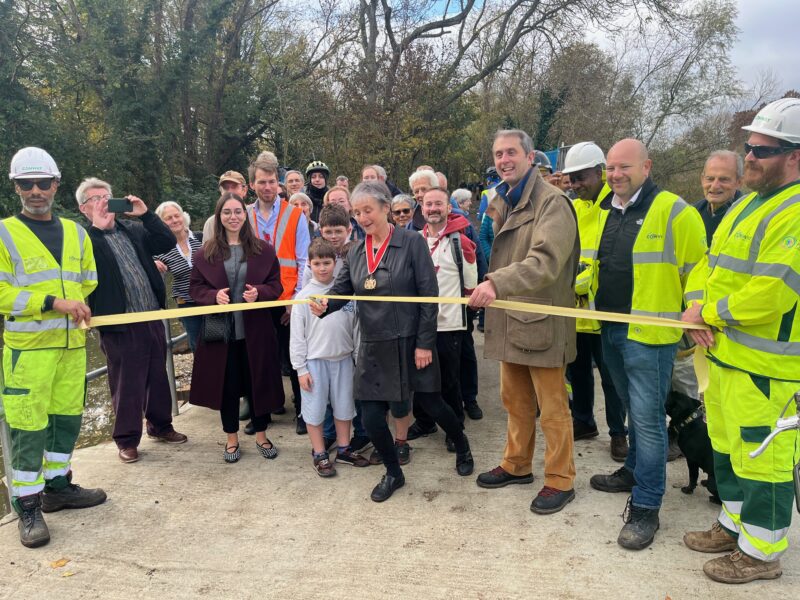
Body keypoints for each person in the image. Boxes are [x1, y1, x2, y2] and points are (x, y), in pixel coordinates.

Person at [681, 99, 800, 584]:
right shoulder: (748, 203)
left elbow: (773, 290)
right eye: (748, 146)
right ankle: (734, 526)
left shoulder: (793, 212)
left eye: (763, 150)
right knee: (727, 447)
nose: (748, 157)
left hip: (767, 370)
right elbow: (712, 265)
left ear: (795, 156)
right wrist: (692, 309)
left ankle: (761, 553)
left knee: (764, 460)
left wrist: (707, 313)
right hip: (725, 357)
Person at [310, 181, 474, 503]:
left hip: (411, 342)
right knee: (370, 417)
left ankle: (462, 443)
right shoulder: (355, 250)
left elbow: (429, 297)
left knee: (433, 405)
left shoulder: (411, 243)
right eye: (356, 212)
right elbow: (341, 291)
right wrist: (324, 305)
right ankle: (393, 472)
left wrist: (425, 343)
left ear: (386, 208)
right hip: (373, 344)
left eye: (367, 210)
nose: (362, 217)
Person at [583, 139, 706, 549]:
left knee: (649, 420)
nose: (616, 175)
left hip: (651, 336)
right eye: (610, 168)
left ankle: (647, 506)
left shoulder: (675, 211)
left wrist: (696, 311)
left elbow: (700, 271)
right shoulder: (606, 211)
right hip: (612, 327)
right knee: (631, 406)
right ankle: (633, 471)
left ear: (647, 167)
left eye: (624, 167)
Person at [468, 129, 579, 515]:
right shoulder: (503, 198)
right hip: (510, 316)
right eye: (498, 153)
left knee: (552, 408)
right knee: (514, 401)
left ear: (530, 157)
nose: (504, 159)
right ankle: (517, 465)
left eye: (511, 152)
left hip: (543, 321)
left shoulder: (553, 203)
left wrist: (496, 283)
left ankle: (560, 479)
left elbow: (545, 263)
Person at [1, 147, 106, 548]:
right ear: (16, 188)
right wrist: (51, 302)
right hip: (28, 354)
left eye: (42, 183)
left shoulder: (77, 233)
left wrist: (78, 306)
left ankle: (57, 486)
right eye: (26, 184)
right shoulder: (4, 233)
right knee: (27, 428)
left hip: (71, 348)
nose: (35, 191)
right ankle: (27, 505)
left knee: (66, 420)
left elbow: (87, 281)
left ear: (56, 185)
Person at [79, 177, 188, 464]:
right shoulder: (85, 239)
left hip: (151, 315)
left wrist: (146, 214)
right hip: (119, 324)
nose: (103, 202)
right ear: (83, 208)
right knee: (127, 383)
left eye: (107, 196)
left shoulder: (133, 229)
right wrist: (99, 230)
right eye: (95, 199)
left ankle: (161, 425)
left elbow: (166, 241)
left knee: (158, 375)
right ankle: (127, 440)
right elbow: (85, 271)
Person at [188, 193, 283, 462]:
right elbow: (195, 288)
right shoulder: (205, 253)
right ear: (219, 217)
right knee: (227, 387)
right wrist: (212, 296)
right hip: (222, 334)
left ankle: (262, 435)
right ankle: (231, 439)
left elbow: (277, 285)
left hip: (256, 332)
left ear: (246, 214)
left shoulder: (263, 249)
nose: (233, 217)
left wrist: (260, 292)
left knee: (258, 384)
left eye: (238, 211)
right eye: (227, 212)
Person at [561, 142, 627, 461]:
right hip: (575, 309)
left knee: (612, 376)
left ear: (600, 172)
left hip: (605, 310)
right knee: (578, 372)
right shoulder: (573, 208)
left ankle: (618, 433)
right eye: (571, 179)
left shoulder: (616, 207)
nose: (574, 185)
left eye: (580, 177)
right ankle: (584, 422)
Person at [291, 238, 370, 476]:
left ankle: (344, 450)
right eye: (317, 263)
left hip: (344, 359)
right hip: (314, 362)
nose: (323, 268)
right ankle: (319, 453)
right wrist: (300, 369)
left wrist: (358, 359)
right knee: (314, 409)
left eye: (327, 262)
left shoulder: (345, 293)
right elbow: (297, 337)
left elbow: (356, 328)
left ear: (335, 263)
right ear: (310, 265)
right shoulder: (304, 297)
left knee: (344, 407)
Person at [408, 188, 478, 452]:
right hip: (419, 324)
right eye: (428, 204)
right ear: (421, 208)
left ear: (449, 208)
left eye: (439, 203)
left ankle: (454, 426)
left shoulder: (461, 242)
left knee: (449, 379)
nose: (433, 208)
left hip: (450, 324)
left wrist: (469, 315)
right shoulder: (413, 240)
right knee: (420, 379)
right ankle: (424, 422)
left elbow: (471, 283)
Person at [300, 204, 371, 453]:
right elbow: (305, 290)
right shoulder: (319, 257)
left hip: (352, 328)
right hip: (322, 339)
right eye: (327, 231)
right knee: (324, 395)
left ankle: (361, 433)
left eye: (337, 231)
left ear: (349, 229)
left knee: (352, 391)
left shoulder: (357, 251)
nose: (332, 236)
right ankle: (329, 435)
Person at [247, 152, 309, 425]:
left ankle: (302, 412)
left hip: (287, 300)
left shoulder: (295, 215)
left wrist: (294, 301)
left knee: (295, 358)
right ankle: (263, 412)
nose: (267, 187)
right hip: (255, 300)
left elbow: (304, 261)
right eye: (261, 182)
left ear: (279, 184)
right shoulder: (243, 215)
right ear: (252, 185)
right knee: (258, 360)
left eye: (272, 181)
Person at [153, 201, 203, 352]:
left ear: (183, 216)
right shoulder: (161, 247)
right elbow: (143, 261)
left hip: (211, 300)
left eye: (177, 216)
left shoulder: (201, 238)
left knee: (219, 340)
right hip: (186, 303)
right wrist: (152, 262)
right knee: (197, 345)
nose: (174, 220)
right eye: (168, 218)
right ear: (161, 223)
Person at [694, 150, 744, 241]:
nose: (714, 186)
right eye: (710, 179)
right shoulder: (693, 212)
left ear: (739, 182)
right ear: (702, 179)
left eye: (724, 179)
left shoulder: (748, 215)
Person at [203, 171, 249, 242]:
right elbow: (207, 251)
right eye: (226, 188)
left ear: (244, 190)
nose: (230, 191)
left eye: (234, 186)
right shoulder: (212, 223)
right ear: (221, 192)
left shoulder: (255, 216)